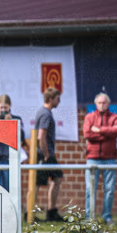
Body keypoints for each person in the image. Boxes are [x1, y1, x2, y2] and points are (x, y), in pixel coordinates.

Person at [84, 92, 117, 225]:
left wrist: (99, 130)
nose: (101, 105)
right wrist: (107, 134)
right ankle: (89, 218)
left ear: (108, 104)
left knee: (109, 189)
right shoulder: (89, 117)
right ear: (95, 104)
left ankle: (107, 217)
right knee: (90, 190)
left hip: (110, 158)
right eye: (99, 103)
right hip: (92, 158)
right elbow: (88, 134)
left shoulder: (115, 117)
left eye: (104, 102)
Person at [34, 87, 65, 222]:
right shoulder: (45, 114)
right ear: (51, 99)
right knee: (36, 183)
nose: (59, 101)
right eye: (58, 98)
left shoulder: (44, 112)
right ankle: (30, 214)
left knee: (57, 178)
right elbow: (41, 136)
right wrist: (46, 154)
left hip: (45, 153)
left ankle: (51, 211)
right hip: (44, 154)